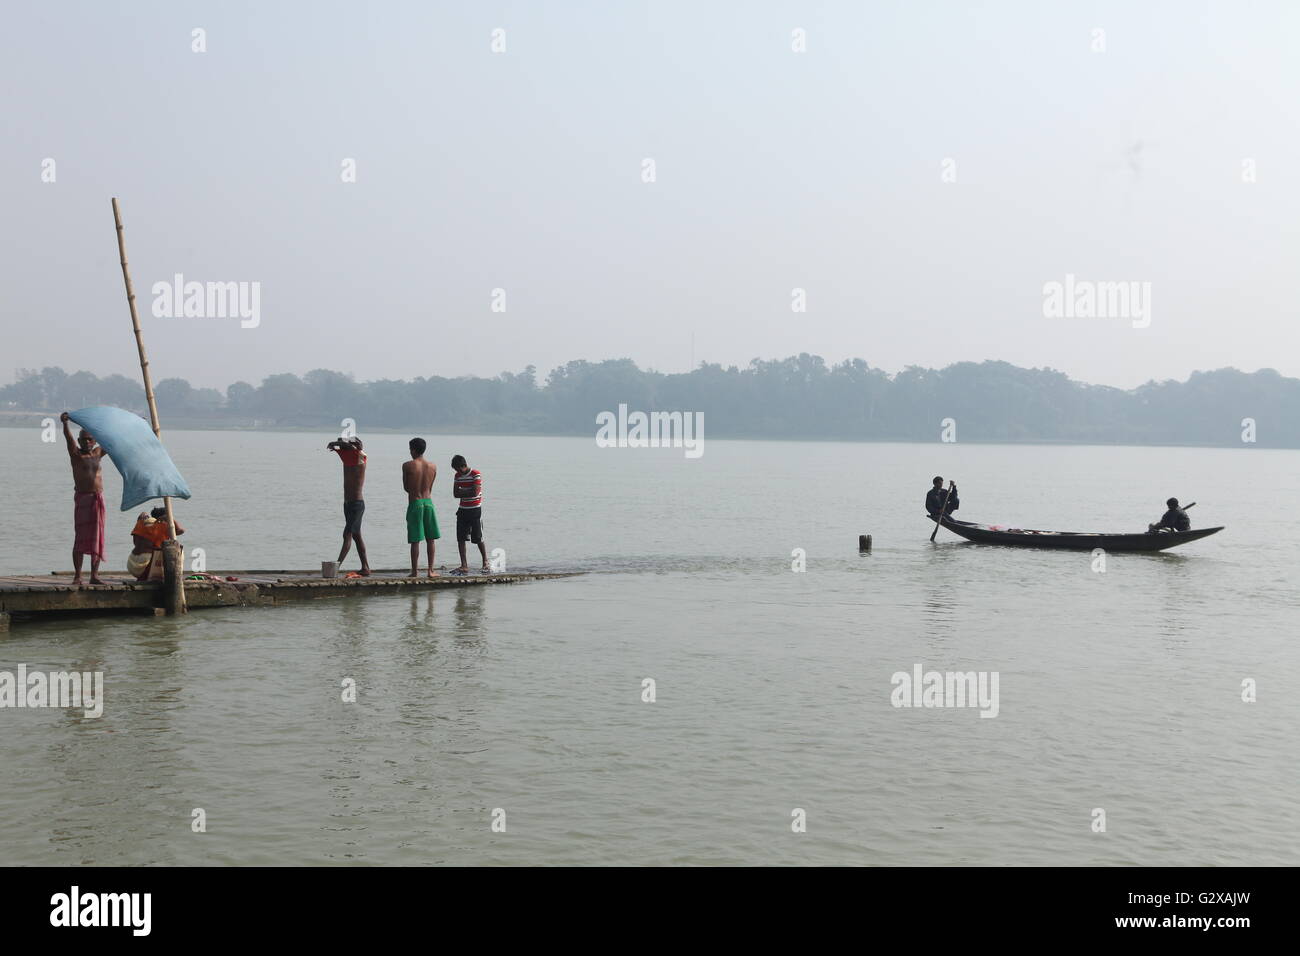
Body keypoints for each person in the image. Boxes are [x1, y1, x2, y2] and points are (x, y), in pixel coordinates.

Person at [61, 412, 106, 586]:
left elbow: (113, 440)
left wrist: (134, 425)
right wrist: (65, 423)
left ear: (94, 441)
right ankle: (78, 576)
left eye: (89, 439)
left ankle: (94, 575)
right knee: (80, 537)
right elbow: (68, 439)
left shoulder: (98, 453)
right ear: (79, 442)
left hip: (97, 499)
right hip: (83, 499)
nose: (86, 442)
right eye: (83, 440)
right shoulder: (76, 455)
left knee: (97, 537)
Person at [326, 437, 371, 576]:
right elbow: (338, 447)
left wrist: (338, 443)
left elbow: (348, 447)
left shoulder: (360, 458)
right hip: (348, 504)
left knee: (347, 534)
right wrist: (337, 444)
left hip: (357, 504)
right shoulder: (347, 459)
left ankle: (336, 567)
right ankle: (366, 568)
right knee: (356, 536)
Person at [402, 437, 439, 576]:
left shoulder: (407, 465)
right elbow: (430, 487)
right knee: (431, 539)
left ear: (413, 450)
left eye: (410, 449)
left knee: (415, 540)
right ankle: (430, 570)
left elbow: (406, 487)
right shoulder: (433, 466)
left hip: (415, 503)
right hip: (428, 502)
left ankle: (414, 571)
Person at [450, 454, 488, 573]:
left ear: (463, 465)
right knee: (461, 538)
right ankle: (464, 565)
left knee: (478, 537)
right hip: (462, 509)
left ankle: (485, 561)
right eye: (456, 470)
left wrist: (463, 491)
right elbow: (455, 494)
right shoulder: (457, 476)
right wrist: (468, 490)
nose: (457, 472)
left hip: (475, 509)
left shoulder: (475, 474)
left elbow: (476, 492)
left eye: (458, 469)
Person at [127, 507, 185, 581]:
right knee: (178, 550)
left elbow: (135, 542)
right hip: (145, 567)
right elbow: (181, 530)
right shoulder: (163, 527)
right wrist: (170, 519)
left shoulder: (140, 523)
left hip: (131, 565)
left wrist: (142, 515)